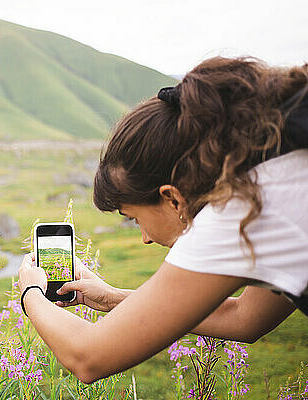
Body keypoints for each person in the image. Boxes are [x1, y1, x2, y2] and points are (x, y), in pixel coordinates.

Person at [17, 56, 308, 384]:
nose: (144, 237)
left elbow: (87, 357)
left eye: (134, 218)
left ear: (171, 197)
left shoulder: (237, 210)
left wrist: (31, 294)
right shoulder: (268, 170)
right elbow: (246, 318)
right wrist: (112, 297)